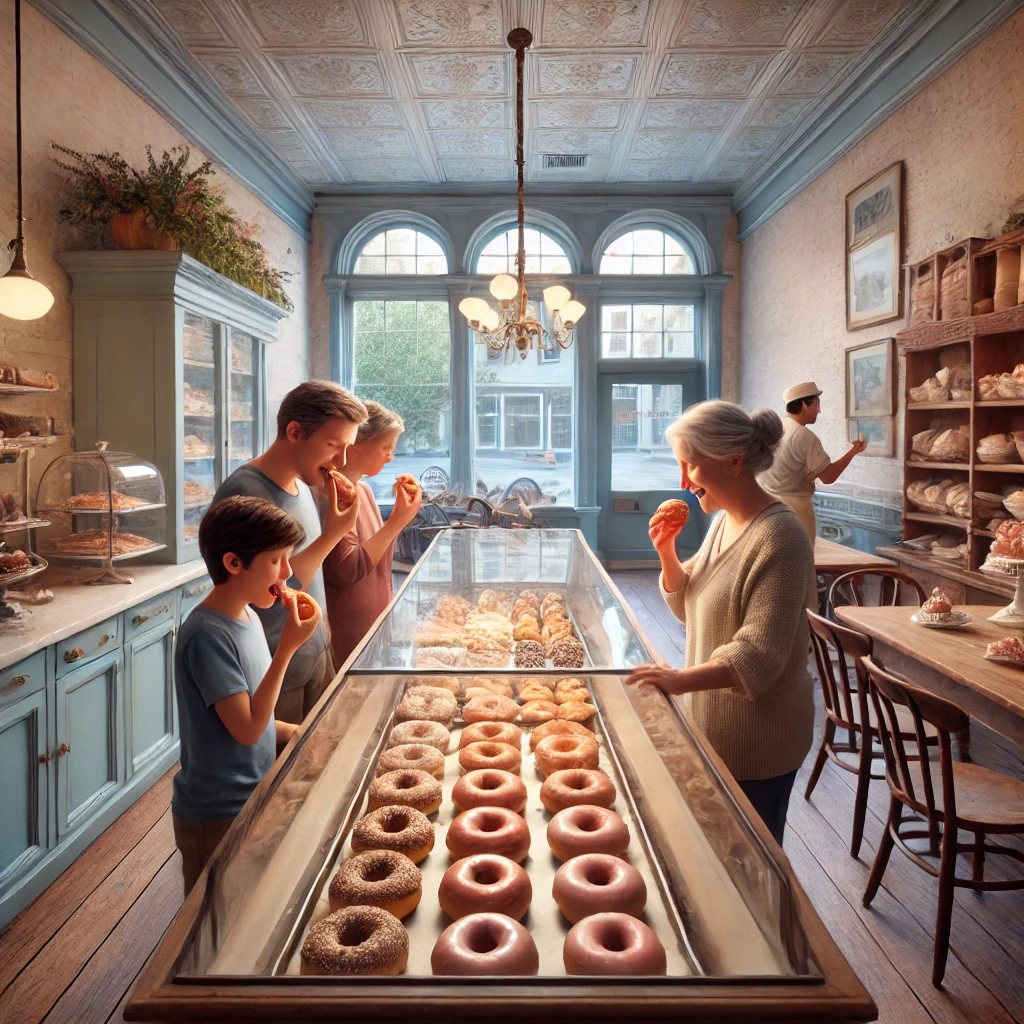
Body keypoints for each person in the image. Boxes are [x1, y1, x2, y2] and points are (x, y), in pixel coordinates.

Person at [624, 400, 815, 846]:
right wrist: (667, 552)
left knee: (754, 872)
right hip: (713, 733)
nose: (682, 482)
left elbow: (757, 658)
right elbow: (687, 606)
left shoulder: (781, 535)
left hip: (758, 745)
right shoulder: (724, 522)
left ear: (732, 462)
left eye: (689, 466)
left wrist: (676, 680)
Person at [171, 496, 323, 894]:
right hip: (217, 813)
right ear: (234, 563)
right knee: (210, 930)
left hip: (253, 795)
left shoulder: (249, 615)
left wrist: (294, 731)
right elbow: (248, 730)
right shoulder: (207, 635)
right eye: (277, 561)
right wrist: (288, 648)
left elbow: (256, 712)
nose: (288, 573)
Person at [212, 380, 366, 724]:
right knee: (284, 773)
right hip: (276, 671)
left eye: (348, 448)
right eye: (332, 445)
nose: (339, 462)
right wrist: (334, 534)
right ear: (295, 432)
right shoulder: (245, 494)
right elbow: (277, 587)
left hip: (313, 653)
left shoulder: (302, 483)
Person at [323, 401, 423, 668]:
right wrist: (398, 521)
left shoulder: (364, 491)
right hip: (348, 632)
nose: (390, 456)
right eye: (386, 447)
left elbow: (377, 557)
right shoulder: (332, 496)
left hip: (376, 625)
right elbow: (348, 569)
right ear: (353, 444)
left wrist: (400, 516)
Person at [758, 381, 867, 542]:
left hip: (767, 511)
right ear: (804, 405)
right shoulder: (804, 436)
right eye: (817, 403)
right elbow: (828, 476)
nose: (819, 410)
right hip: (795, 513)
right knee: (798, 563)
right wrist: (854, 451)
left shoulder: (777, 426)